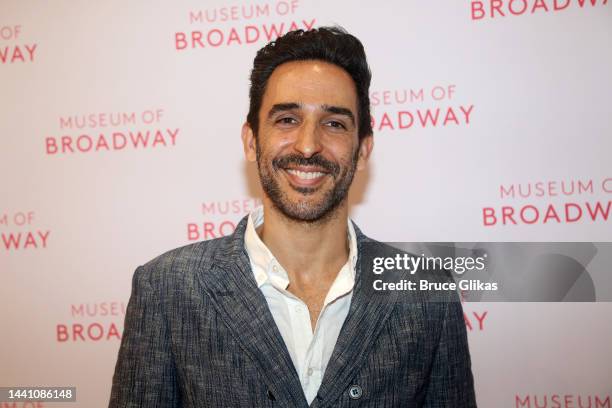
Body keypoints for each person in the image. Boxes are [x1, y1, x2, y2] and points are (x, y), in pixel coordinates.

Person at [109, 26, 476, 407]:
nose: (307, 145)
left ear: (363, 151)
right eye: (287, 119)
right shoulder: (167, 289)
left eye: (334, 123)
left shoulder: (427, 293)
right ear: (251, 141)